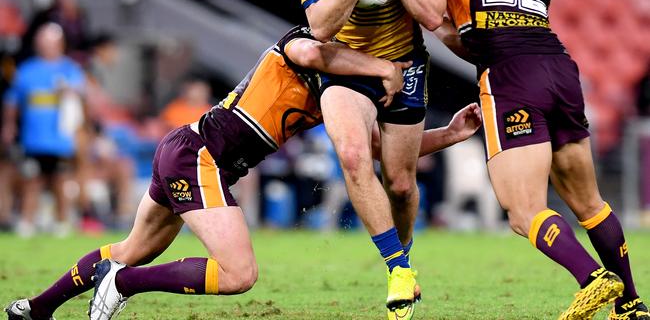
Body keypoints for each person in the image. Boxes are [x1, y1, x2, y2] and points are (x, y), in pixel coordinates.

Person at [285, 0, 649, 320]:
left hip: (512, 73)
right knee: (590, 203)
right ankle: (632, 305)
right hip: (559, 67)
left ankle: (593, 278)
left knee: (523, 210)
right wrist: (429, 16)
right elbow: (465, 34)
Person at [4, 25, 481, 320]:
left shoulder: (333, 95)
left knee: (130, 249)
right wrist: (384, 67)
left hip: (187, 150)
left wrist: (450, 134)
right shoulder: (303, 42)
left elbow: (377, 147)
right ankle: (123, 283)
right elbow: (313, 54)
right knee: (239, 273)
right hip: (198, 155)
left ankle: (40, 307)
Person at [296, 0, 447, 318]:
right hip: (348, 68)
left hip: (407, 65)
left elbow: (433, 14)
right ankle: (398, 271)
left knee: (401, 185)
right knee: (354, 153)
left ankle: (401, 265)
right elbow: (319, 26)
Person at [2, 23, 86, 238]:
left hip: (60, 140)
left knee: (59, 180)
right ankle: (27, 222)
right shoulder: (27, 71)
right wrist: (9, 126)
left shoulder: (69, 69)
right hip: (33, 139)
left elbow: (82, 94)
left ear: (60, 44)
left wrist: (70, 90)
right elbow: (13, 101)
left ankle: (62, 222)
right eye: (43, 42)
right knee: (33, 179)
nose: (47, 46)